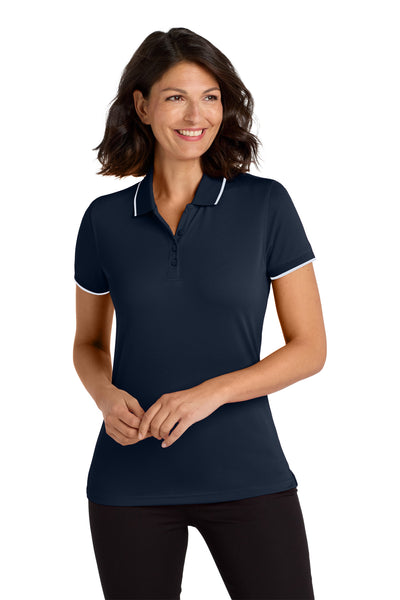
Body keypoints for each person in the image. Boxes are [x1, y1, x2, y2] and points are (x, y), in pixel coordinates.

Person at [73, 26, 326, 600]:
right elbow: (88, 343)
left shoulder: (266, 205)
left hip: (247, 472)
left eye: (210, 97)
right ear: (142, 106)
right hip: (129, 478)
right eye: (175, 97)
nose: (197, 115)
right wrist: (105, 396)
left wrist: (209, 394)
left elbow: (310, 348)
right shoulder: (104, 220)